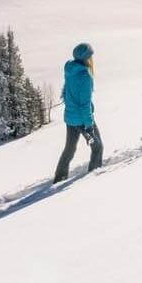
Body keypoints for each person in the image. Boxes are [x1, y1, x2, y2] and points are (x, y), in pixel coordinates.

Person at [53, 42, 103, 183]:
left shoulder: (70, 69)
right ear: (86, 58)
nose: (92, 58)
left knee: (69, 150)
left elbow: (67, 90)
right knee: (98, 147)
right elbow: (84, 104)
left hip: (70, 118)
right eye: (90, 56)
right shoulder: (85, 76)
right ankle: (94, 177)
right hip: (82, 120)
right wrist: (89, 125)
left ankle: (59, 179)